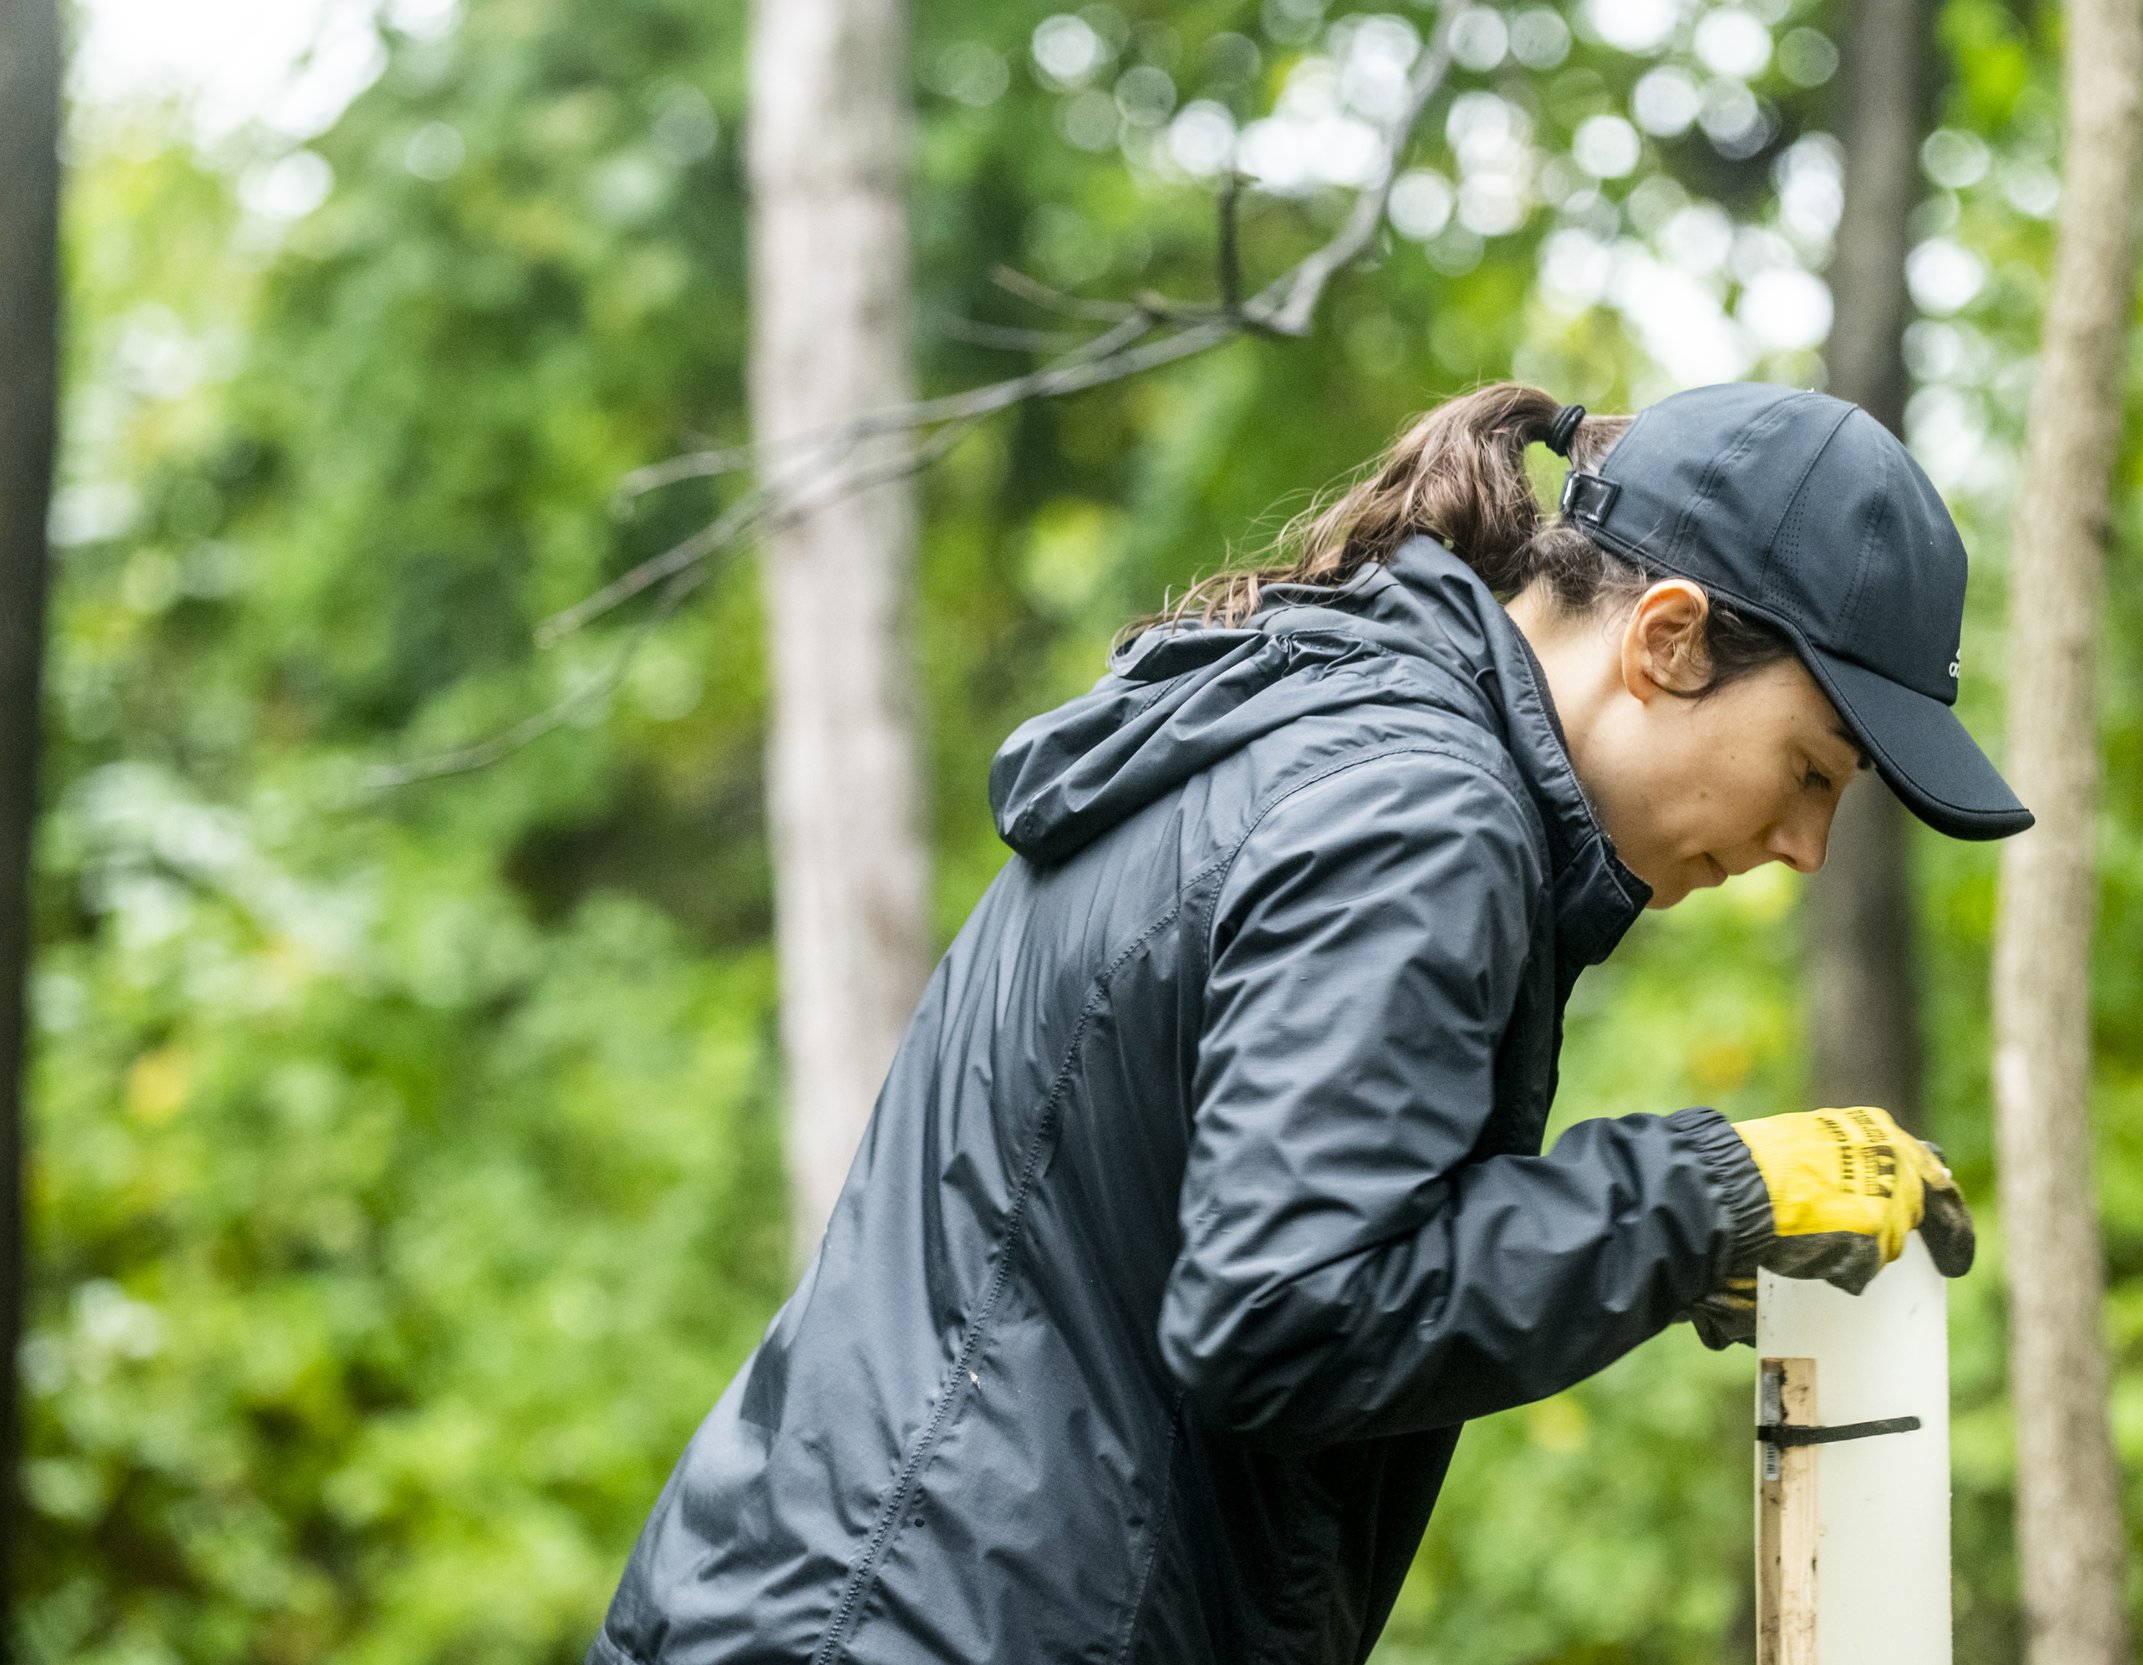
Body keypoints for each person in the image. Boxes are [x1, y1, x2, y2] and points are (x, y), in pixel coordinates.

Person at [588, 381, 2030, 1665]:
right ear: (1667, 639)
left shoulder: (1333, 732)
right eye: (1811, 769)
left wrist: (1651, 1253)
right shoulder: (1419, 814)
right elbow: (1285, 1314)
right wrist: (1702, 1200)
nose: (1808, 846)